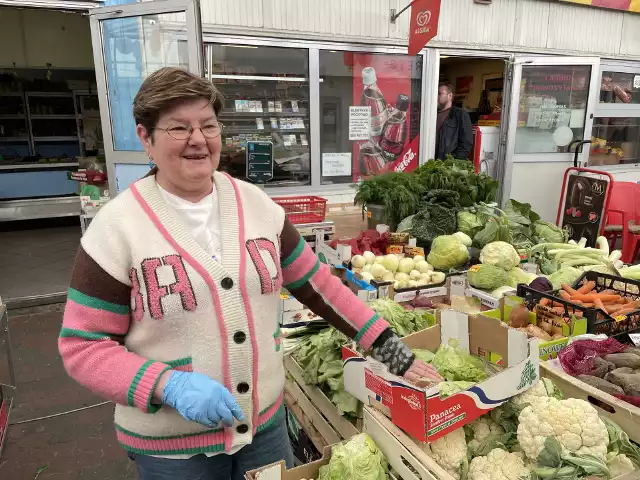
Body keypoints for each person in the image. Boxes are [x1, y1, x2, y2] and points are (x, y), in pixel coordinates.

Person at [58, 67, 441, 480]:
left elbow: (321, 288)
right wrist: (166, 385)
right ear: (145, 138)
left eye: (208, 125)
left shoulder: (257, 206)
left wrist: (390, 349)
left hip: (265, 430)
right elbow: (84, 346)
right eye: (178, 128)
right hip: (174, 454)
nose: (198, 139)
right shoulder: (117, 228)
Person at [435, 82, 473, 161]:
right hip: (430, 162)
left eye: (439, 94)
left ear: (450, 96)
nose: (436, 96)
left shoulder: (460, 115)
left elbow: (466, 144)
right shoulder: (432, 115)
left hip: (447, 165)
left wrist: (453, 164)